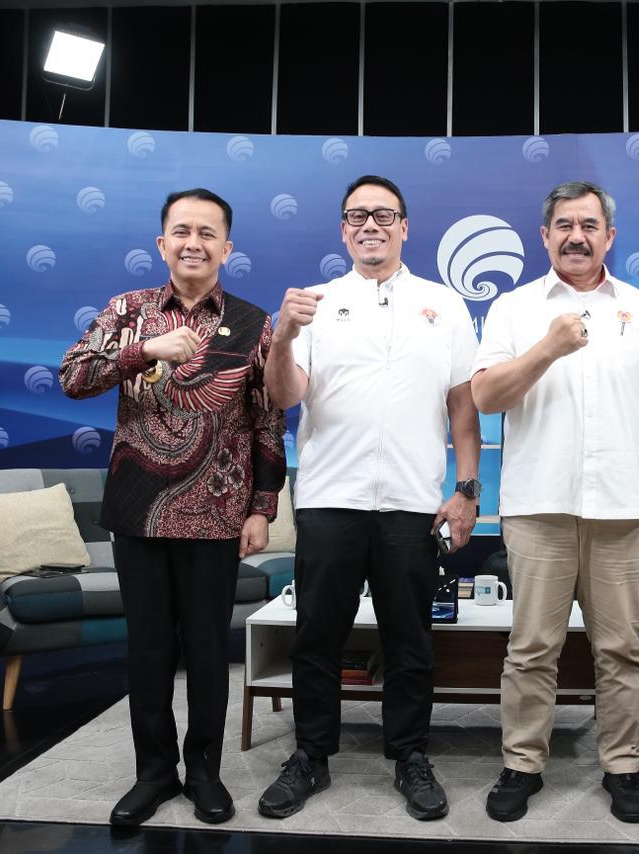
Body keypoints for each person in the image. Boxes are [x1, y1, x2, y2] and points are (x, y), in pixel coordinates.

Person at [60, 188, 287, 827]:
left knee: (210, 650)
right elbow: (73, 376)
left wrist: (261, 507)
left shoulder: (252, 322)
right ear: (162, 244)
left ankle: (205, 772)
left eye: (208, 233)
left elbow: (270, 421)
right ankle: (154, 773)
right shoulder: (127, 310)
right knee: (149, 649)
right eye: (182, 231)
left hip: (217, 513)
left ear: (227, 248)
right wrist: (144, 351)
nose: (194, 243)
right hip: (139, 511)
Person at [257, 175, 481, 821]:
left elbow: (462, 405)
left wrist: (466, 489)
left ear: (405, 227)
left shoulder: (443, 304)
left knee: (410, 640)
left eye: (384, 215)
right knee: (316, 637)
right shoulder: (315, 303)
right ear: (343, 230)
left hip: (412, 501)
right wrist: (282, 335)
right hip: (330, 496)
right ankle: (310, 755)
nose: (370, 226)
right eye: (357, 216)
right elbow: (283, 395)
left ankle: (409, 755)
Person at [470, 180, 639, 824]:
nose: (576, 236)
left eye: (589, 225)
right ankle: (522, 763)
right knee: (531, 648)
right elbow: (485, 396)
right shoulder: (514, 309)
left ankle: (623, 766)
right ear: (544, 237)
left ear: (609, 237)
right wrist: (548, 347)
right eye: (564, 225)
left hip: (621, 507)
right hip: (537, 505)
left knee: (622, 648)